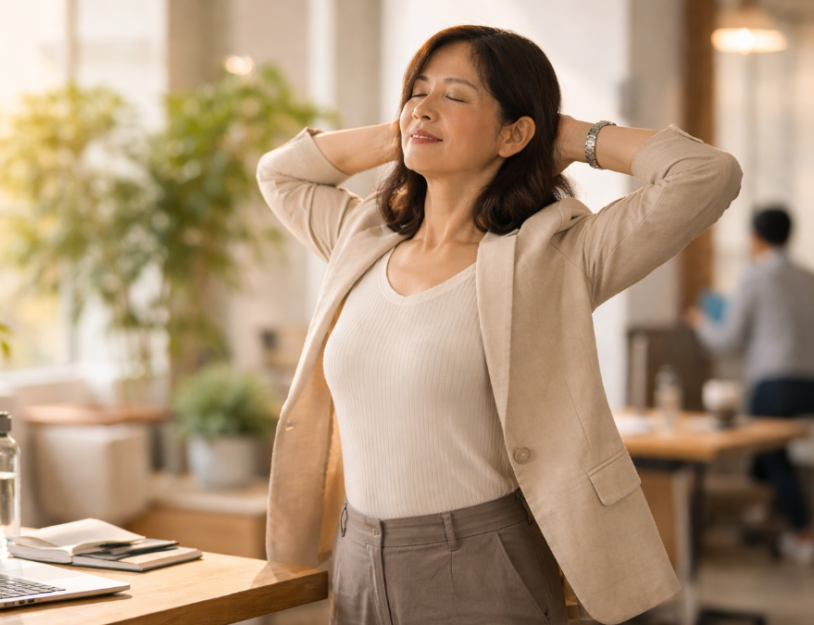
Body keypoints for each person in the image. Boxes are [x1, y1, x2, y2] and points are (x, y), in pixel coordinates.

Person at [258, 25, 741, 624]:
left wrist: (564, 136)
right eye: (417, 90)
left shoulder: (557, 257)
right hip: (358, 554)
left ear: (513, 132)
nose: (424, 108)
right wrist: (406, 131)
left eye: (455, 96)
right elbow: (279, 173)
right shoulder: (360, 238)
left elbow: (706, 173)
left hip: (479, 560)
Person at [691, 207, 814, 566]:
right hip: (810, 383)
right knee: (766, 455)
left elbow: (727, 341)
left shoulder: (754, 277)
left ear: (755, 238)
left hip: (774, 384)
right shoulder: (808, 277)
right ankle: (762, 514)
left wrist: (701, 321)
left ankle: (802, 532)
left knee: (771, 455)